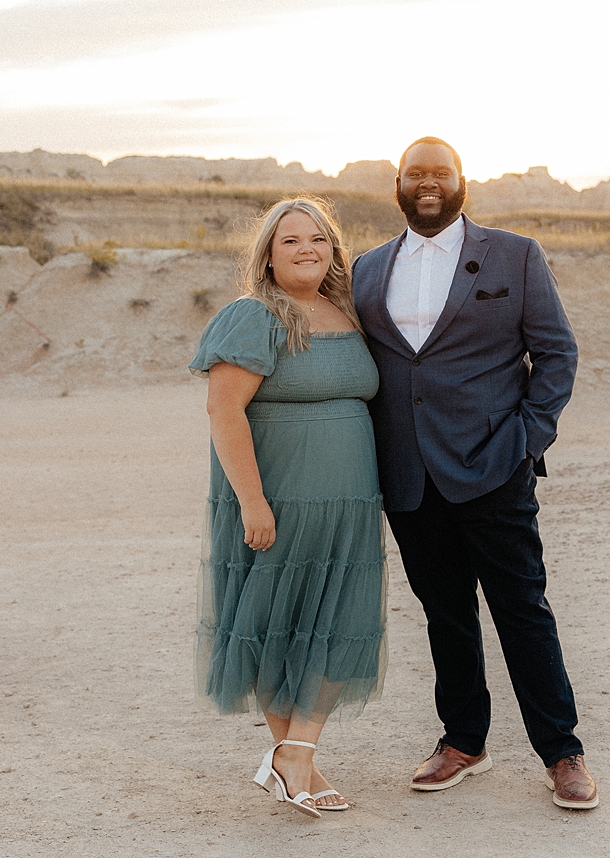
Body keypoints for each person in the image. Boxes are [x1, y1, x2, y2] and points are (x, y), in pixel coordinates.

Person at [351, 137, 598, 810]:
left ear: (461, 181)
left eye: (440, 172)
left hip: (495, 467)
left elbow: (556, 352)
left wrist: (527, 438)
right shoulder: (367, 270)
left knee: (523, 611)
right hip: (407, 474)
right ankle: (464, 741)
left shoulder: (513, 254)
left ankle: (563, 751)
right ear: (397, 184)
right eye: (415, 173)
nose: (427, 182)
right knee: (446, 615)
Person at [191, 197, 386, 819]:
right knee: (276, 620)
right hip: (276, 498)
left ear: (334, 250)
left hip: (350, 501)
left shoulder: (352, 315)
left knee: (337, 620)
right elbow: (224, 411)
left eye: (318, 240)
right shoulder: (253, 316)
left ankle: (294, 752)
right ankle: (294, 754)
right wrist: (253, 502)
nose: (306, 250)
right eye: (290, 241)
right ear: (268, 256)